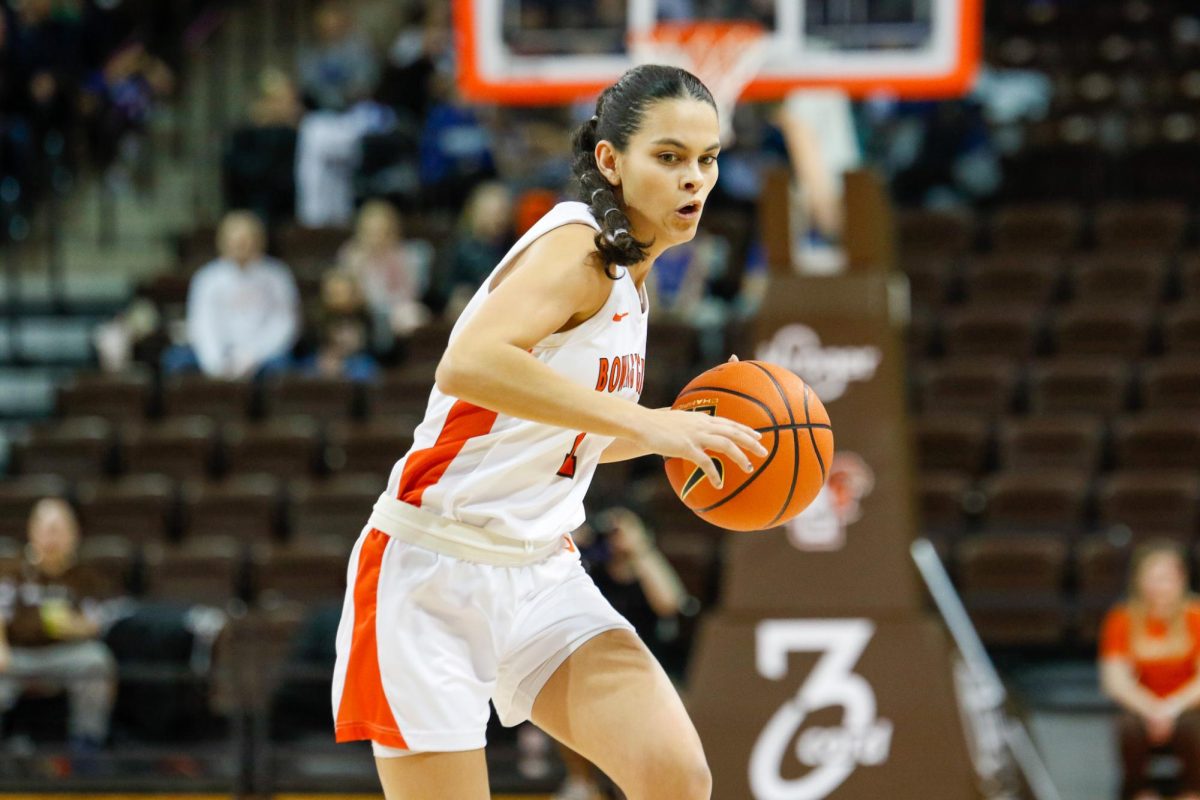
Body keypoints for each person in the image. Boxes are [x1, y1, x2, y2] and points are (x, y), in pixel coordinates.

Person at [331, 64, 767, 800]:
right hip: (433, 571)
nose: (695, 179)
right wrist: (643, 420)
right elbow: (467, 365)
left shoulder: (633, 276)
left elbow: (570, 430)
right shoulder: (581, 247)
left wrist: (681, 431)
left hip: (539, 571)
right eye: (669, 157)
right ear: (610, 161)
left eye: (707, 158)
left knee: (676, 776)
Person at [555, 507, 690, 800]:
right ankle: (582, 783)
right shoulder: (592, 570)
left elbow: (670, 603)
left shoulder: (647, 567)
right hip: (600, 672)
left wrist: (640, 550)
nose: (615, 541)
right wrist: (571, 545)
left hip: (653, 671)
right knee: (563, 695)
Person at [0, 499, 118, 758]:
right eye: (47, 529)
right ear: (32, 531)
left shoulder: (86, 576)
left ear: (74, 535)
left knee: (96, 660)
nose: (52, 538)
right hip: (17, 655)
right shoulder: (11, 569)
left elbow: (98, 623)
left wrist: (76, 627)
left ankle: (87, 745)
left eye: (59, 530)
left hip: (64, 654)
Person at [1100, 540, 1200, 800]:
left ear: (1181, 579)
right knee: (1128, 727)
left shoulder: (1196, 617)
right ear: (1139, 580)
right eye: (1153, 578)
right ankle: (1139, 790)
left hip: (1188, 708)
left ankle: (1192, 790)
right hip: (1143, 708)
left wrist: (1172, 708)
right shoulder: (1122, 618)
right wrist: (1151, 709)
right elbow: (1116, 680)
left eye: (1166, 577)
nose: (1160, 586)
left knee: (1194, 727)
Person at [163, 210, 300, 379]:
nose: (241, 247)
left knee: (282, 366)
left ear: (259, 241)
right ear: (223, 242)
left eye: (246, 241)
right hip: (219, 350)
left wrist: (252, 355)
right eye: (235, 242)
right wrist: (215, 363)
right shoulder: (207, 277)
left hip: (262, 353)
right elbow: (202, 323)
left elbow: (284, 324)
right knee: (176, 359)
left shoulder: (277, 275)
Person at [334, 199, 433, 350]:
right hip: (366, 316)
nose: (377, 238)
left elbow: (411, 293)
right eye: (371, 232)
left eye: (383, 231)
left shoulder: (408, 255)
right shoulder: (352, 255)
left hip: (398, 314)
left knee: (412, 316)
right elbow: (349, 295)